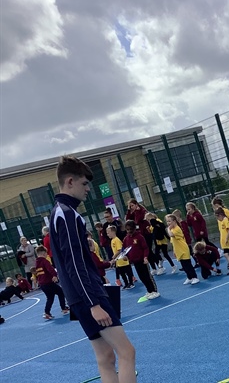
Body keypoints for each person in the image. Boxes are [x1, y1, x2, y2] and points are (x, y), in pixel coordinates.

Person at [49, 156, 136, 382]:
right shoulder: (66, 214)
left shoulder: (62, 211)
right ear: (70, 182)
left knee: (105, 357)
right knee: (126, 352)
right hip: (88, 295)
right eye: (84, 183)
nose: (88, 189)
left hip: (81, 295)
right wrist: (93, 304)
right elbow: (74, 263)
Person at [123, 220, 160, 299]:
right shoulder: (126, 239)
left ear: (134, 228)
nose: (129, 231)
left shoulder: (139, 237)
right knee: (141, 277)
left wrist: (145, 257)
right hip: (135, 262)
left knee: (148, 276)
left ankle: (155, 291)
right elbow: (125, 250)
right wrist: (126, 257)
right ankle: (149, 291)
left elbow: (145, 248)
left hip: (142, 260)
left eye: (131, 229)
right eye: (127, 229)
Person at [35, 246, 70, 319]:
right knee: (61, 292)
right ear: (44, 253)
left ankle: (47, 312)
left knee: (50, 298)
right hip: (48, 283)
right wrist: (54, 275)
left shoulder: (36, 263)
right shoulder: (44, 261)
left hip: (42, 284)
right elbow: (50, 268)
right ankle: (63, 308)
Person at [165, 214, 199, 285]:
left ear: (174, 221)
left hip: (183, 249)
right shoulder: (172, 229)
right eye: (167, 221)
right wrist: (174, 250)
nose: (168, 223)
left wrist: (168, 229)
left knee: (188, 265)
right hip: (178, 250)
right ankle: (189, 277)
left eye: (169, 221)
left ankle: (195, 277)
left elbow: (171, 235)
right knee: (184, 266)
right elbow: (173, 242)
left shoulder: (177, 229)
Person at [211, 198, 229, 267]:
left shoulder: (224, 211)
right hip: (224, 232)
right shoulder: (218, 213)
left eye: (214, 206)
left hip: (228, 232)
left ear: (216, 205)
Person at [107, 225, 135, 290]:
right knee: (122, 273)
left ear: (113, 232)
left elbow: (120, 250)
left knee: (128, 272)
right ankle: (126, 283)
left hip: (123, 260)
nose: (107, 234)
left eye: (108, 233)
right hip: (118, 261)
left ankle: (131, 283)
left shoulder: (117, 240)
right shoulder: (112, 241)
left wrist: (114, 256)